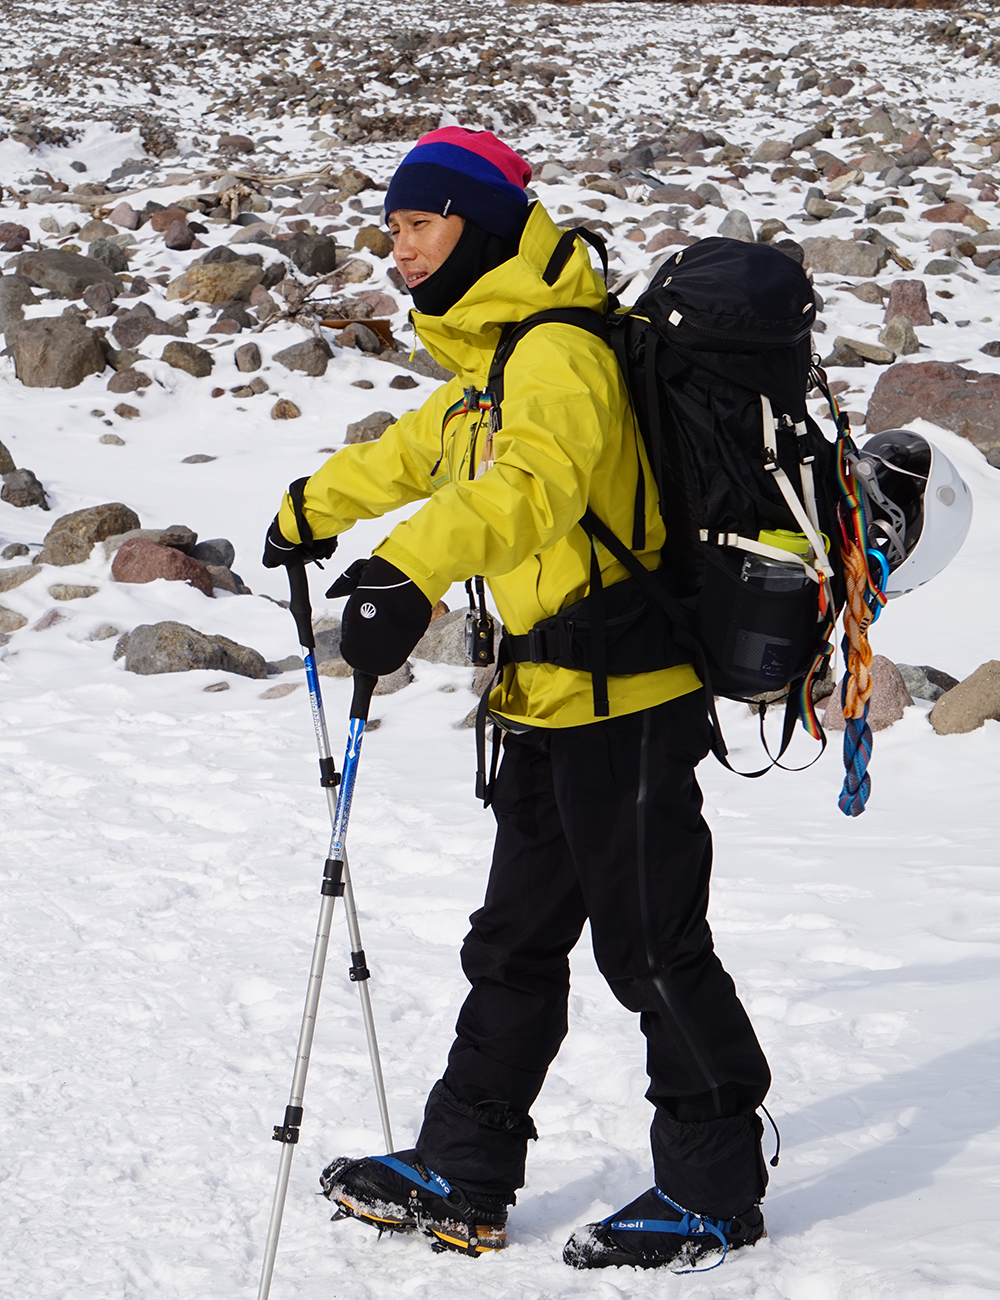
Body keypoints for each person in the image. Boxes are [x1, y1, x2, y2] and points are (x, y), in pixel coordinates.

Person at [262, 126, 772, 1270]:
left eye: (419, 224)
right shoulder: (496, 358)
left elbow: (531, 485)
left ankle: (713, 1188)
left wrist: (410, 567)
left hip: (629, 699)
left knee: (649, 950)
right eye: (391, 229)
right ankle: (465, 1169)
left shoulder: (558, 353)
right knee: (513, 945)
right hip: (547, 694)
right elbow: (421, 450)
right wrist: (314, 506)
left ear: (478, 227)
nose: (399, 251)